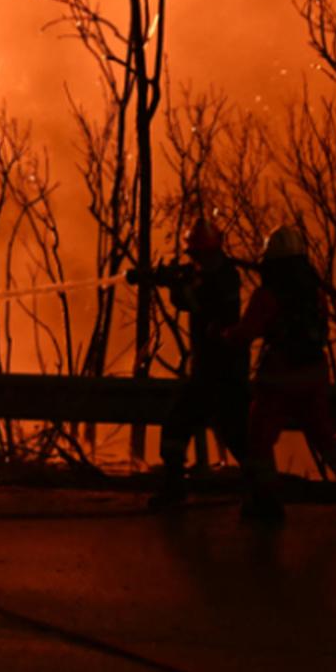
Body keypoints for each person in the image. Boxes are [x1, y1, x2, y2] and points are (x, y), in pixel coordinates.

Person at [224, 224, 336, 522]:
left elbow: (246, 333)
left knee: (260, 440)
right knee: (324, 436)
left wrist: (223, 335)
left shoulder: (267, 296)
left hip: (278, 378)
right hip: (314, 373)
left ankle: (267, 503)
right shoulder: (316, 294)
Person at [128, 214, 251, 508]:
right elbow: (187, 288)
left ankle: (260, 492)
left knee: (206, 428)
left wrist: (178, 288)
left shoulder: (225, 278)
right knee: (188, 427)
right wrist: (151, 277)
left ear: (210, 251)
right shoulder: (205, 272)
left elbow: (197, 304)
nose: (193, 257)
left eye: (196, 253)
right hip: (210, 370)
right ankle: (258, 491)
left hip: (221, 371)